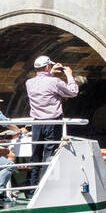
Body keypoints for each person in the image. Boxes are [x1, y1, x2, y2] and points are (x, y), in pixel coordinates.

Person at [25, 55, 79, 183]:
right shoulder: (54, 82)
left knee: (36, 154)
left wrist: (50, 72)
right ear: (48, 66)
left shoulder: (29, 83)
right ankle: (44, 185)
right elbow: (73, 92)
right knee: (49, 154)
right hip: (52, 122)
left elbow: (44, 81)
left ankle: (32, 186)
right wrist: (69, 75)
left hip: (37, 123)